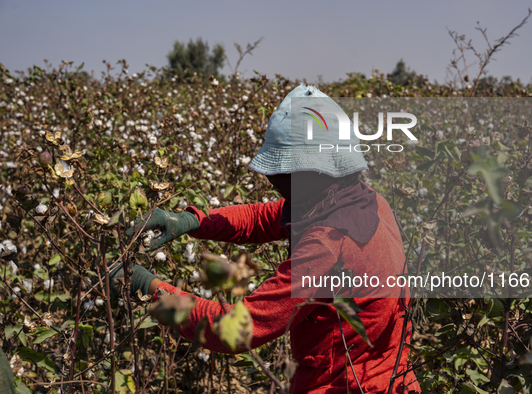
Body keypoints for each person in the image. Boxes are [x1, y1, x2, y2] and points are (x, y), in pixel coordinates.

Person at [110, 84, 420, 393]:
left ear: (310, 174)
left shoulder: (327, 246)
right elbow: (262, 217)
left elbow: (232, 331)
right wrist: (189, 220)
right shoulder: (365, 201)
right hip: (396, 380)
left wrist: (148, 287)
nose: (275, 183)